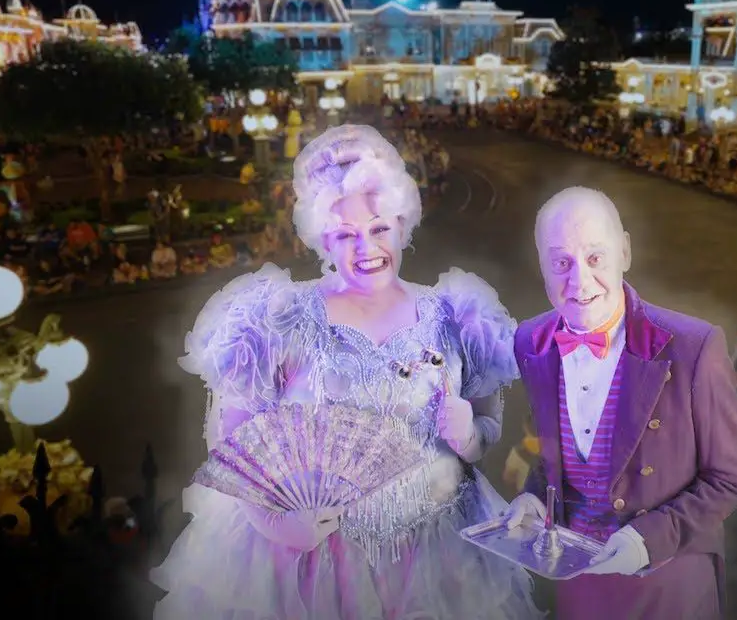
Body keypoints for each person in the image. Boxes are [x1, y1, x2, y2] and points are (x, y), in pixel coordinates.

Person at [153, 125, 539, 619]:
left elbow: (487, 429)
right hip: (315, 567)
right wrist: (275, 523)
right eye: (344, 235)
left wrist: (469, 435)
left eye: (378, 229)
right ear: (322, 240)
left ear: (402, 224)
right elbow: (234, 442)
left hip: (443, 556)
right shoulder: (278, 321)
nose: (366, 249)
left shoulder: (458, 317)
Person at [505, 186, 737, 620]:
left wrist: (646, 539)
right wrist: (534, 500)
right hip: (580, 579)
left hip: (667, 581)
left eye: (595, 257)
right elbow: (556, 455)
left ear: (625, 251)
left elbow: (733, 478)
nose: (579, 282)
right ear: (542, 266)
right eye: (561, 262)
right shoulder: (531, 340)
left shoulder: (694, 347)